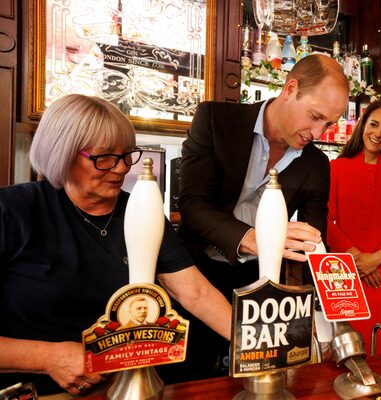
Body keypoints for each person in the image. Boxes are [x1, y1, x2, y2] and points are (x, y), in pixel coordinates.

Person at [0, 94, 232, 396]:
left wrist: (255, 344)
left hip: (123, 386)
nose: (122, 168)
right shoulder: (12, 210)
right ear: (62, 153)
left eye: (126, 155)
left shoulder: (141, 210)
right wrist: (47, 358)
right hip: (34, 389)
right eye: (105, 158)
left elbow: (195, 292)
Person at [178, 54, 349, 374]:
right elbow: (192, 204)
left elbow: (314, 245)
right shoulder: (215, 120)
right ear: (290, 89)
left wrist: (323, 315)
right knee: (192, 375)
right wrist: (256, 239)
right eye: (315, 116)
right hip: (195, 274)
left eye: (329, 124)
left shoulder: (316, 164)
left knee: (258, 375)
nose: (318, 132)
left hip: (262, 282)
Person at [327, 100, 381, 353]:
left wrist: (376, 258)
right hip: (342, 269)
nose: (378, 133)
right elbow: (325, 219)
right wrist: (355, 258)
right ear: (363, 125)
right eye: (373, 124)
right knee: (343, 345)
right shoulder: (335, 168)